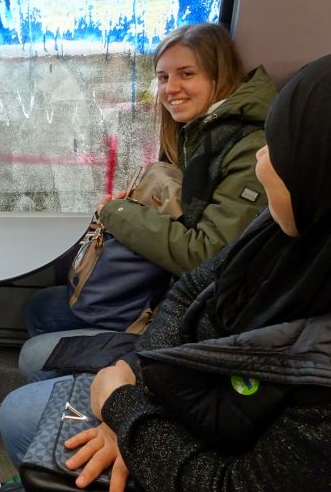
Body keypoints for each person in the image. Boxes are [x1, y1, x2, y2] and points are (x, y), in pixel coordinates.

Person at [0, 54, 331, 491]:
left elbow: (233, 481)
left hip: (196, 430)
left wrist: (125, 411)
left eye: (280, 149)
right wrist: (143, 376)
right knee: (41, 315)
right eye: (162, 77)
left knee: (19, 405)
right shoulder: (279, 231)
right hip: (184, 374)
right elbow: (194, 286)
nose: (261, 159)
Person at [21, 23, 277, 379]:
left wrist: (118, 213)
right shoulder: (199, 131)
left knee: (32, 357)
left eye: (186, 74)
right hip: (162, 289)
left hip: (183, 314)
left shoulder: (249, 149)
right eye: (163, 77)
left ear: (220, 75)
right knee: (39, 308)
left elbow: (207, 256)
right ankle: (78, 380)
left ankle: (96, 391)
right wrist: (138, 208)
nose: (170, 89)